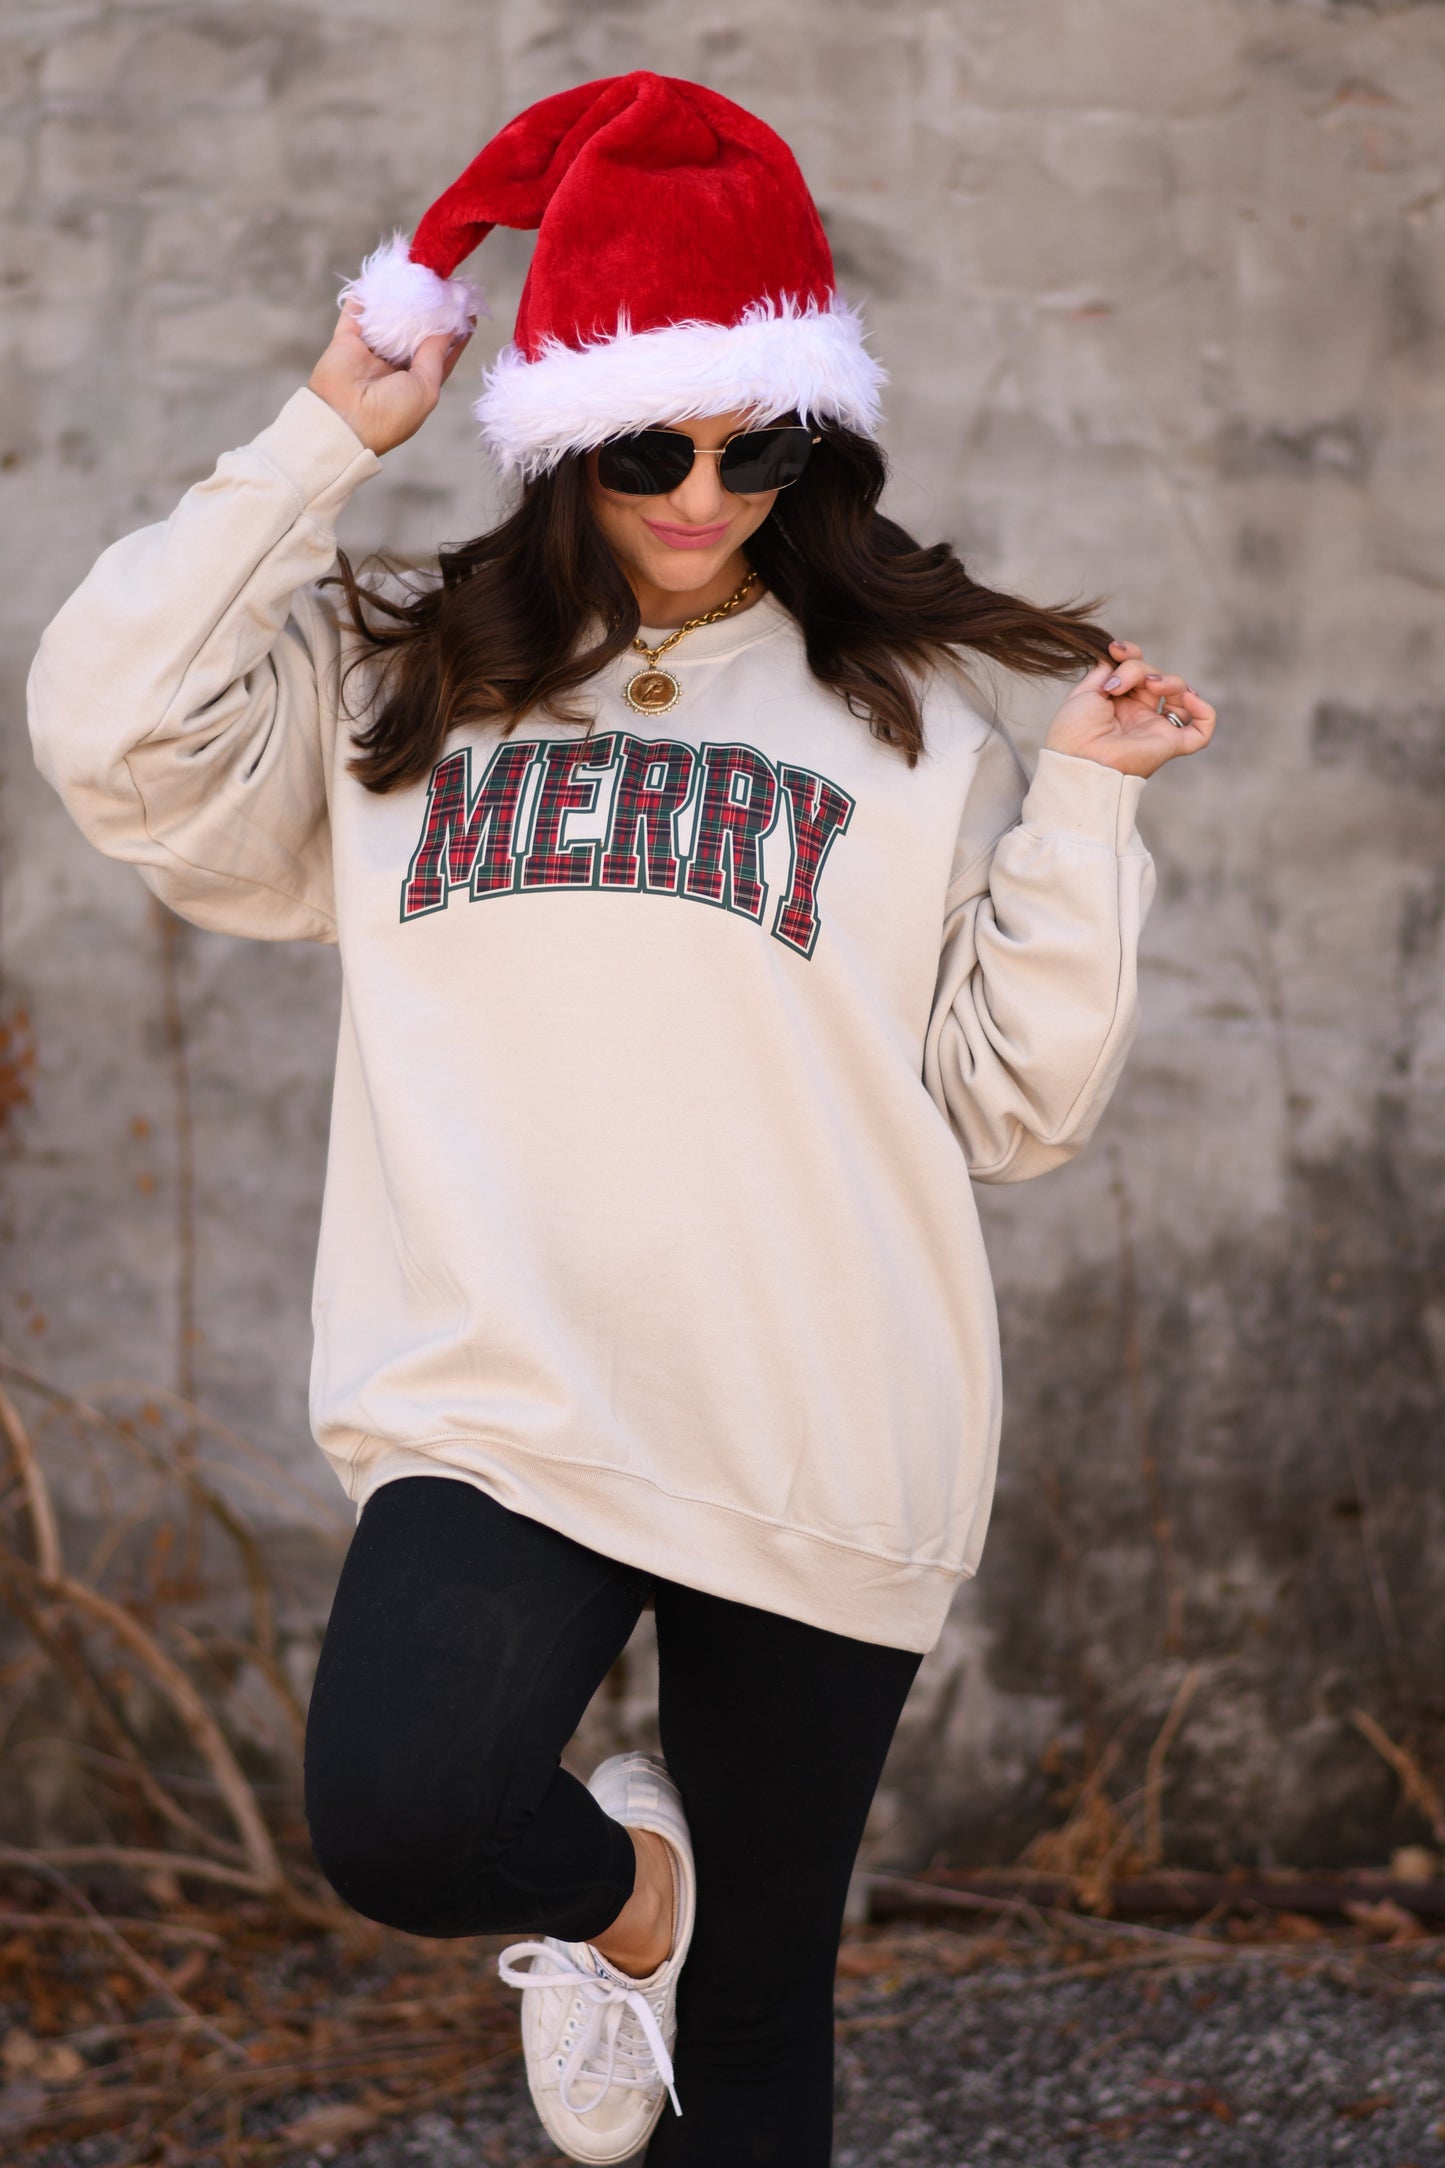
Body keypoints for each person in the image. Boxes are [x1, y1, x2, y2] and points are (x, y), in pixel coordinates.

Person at [28, 69, 1215, 2168]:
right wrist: (330, 432)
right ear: (563, 429)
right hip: (511, 1400)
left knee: (750, 2046)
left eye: (751, 443)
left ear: (811, 430)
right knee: (409, 1807)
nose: (699, 491)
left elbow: (1013, 1110)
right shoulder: (407, 683)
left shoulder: (917, 711)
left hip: (819, 1414)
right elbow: (107, 724)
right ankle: (625, 1899)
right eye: (646, 442)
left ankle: (694, 1949)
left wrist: (1092, 804)